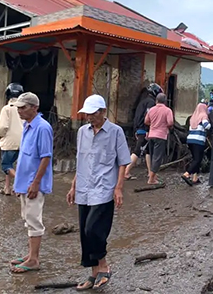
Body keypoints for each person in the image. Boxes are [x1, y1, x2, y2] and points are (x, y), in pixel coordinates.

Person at [67, 94, 129, 290]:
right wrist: (73, 186)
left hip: (104, 188)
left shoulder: (116, 132)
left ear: (103, 112)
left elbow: (123, 162)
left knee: (93, 229)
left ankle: (104, 266)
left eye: (93, 114)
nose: (89, 118)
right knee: (84, 234)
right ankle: (93, 274)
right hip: (84, 187)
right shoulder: (82, 132)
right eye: (87, 114)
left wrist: (118, 188)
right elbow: (81, 162)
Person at [9, 92, 54, 273]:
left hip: (34, 182)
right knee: (27, 218)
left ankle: (34, 259)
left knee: (34, 220)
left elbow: (45, 157)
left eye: (23, 107)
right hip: (25, 181)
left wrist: (35, 183)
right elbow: (24, 157)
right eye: (18, 107)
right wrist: (18, 184)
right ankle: (30, 255)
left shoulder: (42, 128)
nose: (20, 111)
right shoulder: (28, 126)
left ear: (34, 108)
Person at [125, 83, 162, 180]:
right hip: (143, 129)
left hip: (138, 128)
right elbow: (148, 117)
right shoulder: (150, 103)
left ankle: (151, 173)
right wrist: (146, 129)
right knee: (138, 150)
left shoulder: (142, 101)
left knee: (148, 151)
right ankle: (126, 171)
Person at [0, 83, 24, 196]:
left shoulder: (7, 109)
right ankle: (7, 188)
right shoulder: (23, 108)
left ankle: (21, 184)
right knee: (16, 165)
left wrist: (1, 135)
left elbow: (2, 127)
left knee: (6, 165)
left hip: (9, 141)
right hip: (23, 141)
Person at [144, 93, 174, 185]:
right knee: (157, 158)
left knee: (153, 156)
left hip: (151, 135)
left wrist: (153, 124)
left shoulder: (151, 110)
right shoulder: (167, 110)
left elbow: (146, 121)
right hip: (161, 136)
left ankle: (153, 176)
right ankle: (151, 179)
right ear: (165, 102)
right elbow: (170, 122)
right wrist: (164, 125)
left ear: (156, 100)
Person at [182, 103, 210, 186]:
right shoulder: (203, 115)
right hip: (198, 140)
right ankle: (186, 174)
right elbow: (207, 126)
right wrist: (211, 125)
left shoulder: (193, 117)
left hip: (190, 140)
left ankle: (195, 178)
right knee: (198, 160)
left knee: (195, 159)